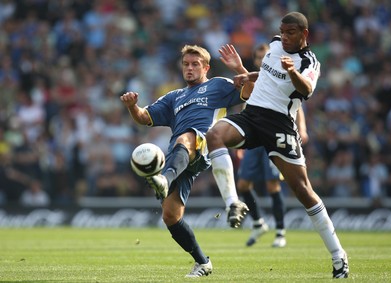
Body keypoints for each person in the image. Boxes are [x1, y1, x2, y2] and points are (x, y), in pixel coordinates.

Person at [206, 12, 349, 279]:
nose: (284, 36)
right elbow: (266, 75)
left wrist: (293, 71)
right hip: (252, 115)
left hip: (279, 125)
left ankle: (338, 254)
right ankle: (233, 203)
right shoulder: (274, 45)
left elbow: (306, 90)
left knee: (303, 190)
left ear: (304, 34)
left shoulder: (309, 62)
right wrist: (243, 71)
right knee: (214, 135)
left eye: (290, 32)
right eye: (282, 31)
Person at [120, 44, 250, 278]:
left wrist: (240, 67)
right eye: (186, 64)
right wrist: (132, 106)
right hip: (178, 156)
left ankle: (164, 179)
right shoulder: (174, 97)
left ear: (206, 67)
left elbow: (250, 91)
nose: (189, 69)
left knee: (185, 136)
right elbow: (144, 117)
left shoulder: (218, 85)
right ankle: (203, 262)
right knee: (170, 216)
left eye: (195, 64)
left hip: (204, 142)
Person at [236, 43, 309, 248]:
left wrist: (301, 129)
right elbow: (246, 106)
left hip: (273, 135)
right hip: (254, 137)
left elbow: (297, 105)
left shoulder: (277, 77)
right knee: (242, 184)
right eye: (258, 57)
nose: (261, 60)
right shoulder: (254, 78)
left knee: (272, 185)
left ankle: (280, 231)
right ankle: (259, 223)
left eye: (264, 56)